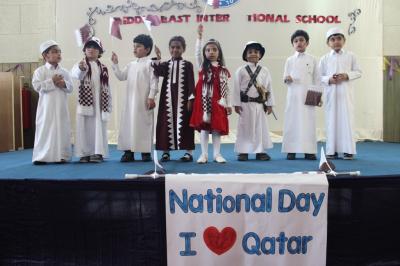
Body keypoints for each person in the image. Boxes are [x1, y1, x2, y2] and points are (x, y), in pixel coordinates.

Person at [111, 34, 158, 162]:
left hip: (143, 102)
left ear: (147, 49)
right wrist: (115, 64)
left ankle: (145, 152)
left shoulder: (150, 64)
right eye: (134, 46)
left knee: (144, 124)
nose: (135, 49)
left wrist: (151, 97)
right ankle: (128, 152)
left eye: (138, 46)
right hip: (130, 102)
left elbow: (154, 81)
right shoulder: (131, 65)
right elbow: (121, 76)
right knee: (128, 125)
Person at [190, 24, 232, 164]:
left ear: (219, 52)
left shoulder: (223, 70)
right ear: (204, 53)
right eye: (208, 50)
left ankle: (217, 154)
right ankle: (203, 154)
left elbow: (227, 89)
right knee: (204, 129)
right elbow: (196, 53)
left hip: (218, 102)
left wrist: (228, 104)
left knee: (216, 130)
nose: (211, 52)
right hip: (204, 103)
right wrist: (199, 37)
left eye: (214, 49)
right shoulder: (202, 66)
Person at [319, 27, 362, 160]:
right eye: (332, 39)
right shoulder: (324, 59)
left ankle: (348, 150)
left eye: (339, 39)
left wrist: (346, 75)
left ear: (344, 40)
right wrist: (329, 79)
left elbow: (359, 72)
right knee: (331, 121)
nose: (336, 41)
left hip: (346, 94)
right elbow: (319, 76)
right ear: (328, 43)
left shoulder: (351, 56)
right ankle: (331, 150)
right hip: (331, 94)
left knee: (346, 120)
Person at [153, 36, 195, 162]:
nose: (175, 50)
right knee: (166, 123)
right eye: (172, 47)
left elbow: (191, 83)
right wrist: (158, 58)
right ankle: (166, 151)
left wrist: (190, 99)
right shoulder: (166, 65)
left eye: (178, 47)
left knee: (186, 124)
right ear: (169, 49)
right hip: (167, 100)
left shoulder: (187, 65)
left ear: (183, 49)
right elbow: (157, 71)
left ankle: (189, 152)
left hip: (183, 101)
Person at [32, 40, 73, 164]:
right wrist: (52, 81)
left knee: (62, 129)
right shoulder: (40, 71)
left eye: (59, 52)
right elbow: (37, 87)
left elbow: (71, 88)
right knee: (45, 129)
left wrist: (63, 83)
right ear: (45, 55)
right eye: (54, 52)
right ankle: (42, 156)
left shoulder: (65, 71)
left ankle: (62, 156)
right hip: (46, 108)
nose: (58, 54)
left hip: (61, 107)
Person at [71, 37, 111, 163]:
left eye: (94, 47)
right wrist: (81, 68)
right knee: (84, 127)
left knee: (99, 127)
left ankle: (97, 153)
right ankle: (84, 153)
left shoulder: (103, 68)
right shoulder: (81, 64)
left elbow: (107, 88)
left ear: (99, 51)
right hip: (85, 103)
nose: (91, 50)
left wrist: (109, 103)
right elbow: (75, 75)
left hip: (99, 104)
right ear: (85, 50)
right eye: (89, 47)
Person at [233, 41, 275, 161]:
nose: (253, 54)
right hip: (245, 105)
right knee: (244, 128)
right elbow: (236, 88)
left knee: (259, 128)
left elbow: (269, 88)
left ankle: (260, 151)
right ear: (245, 55)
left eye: (256, 52)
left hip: (259, 105)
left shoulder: (265, 71)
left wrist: (270, 104)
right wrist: (236, 104)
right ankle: (243, 152)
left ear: (260, 55)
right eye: (250, 52)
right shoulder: (240, 70)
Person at [282, 30, 320, 160]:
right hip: (293, 95)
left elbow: (317, 79)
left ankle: (309, 151)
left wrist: (316, 97)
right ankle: (291, 150)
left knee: (308, 122)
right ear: (293, 44)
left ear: (307, 43)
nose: (299, 43)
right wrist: (288, 79)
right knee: (292, 122)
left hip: (308, 96)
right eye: (296, 41)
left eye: (301, 40)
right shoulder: (289, 60)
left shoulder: (313, 59)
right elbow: (285, 78)